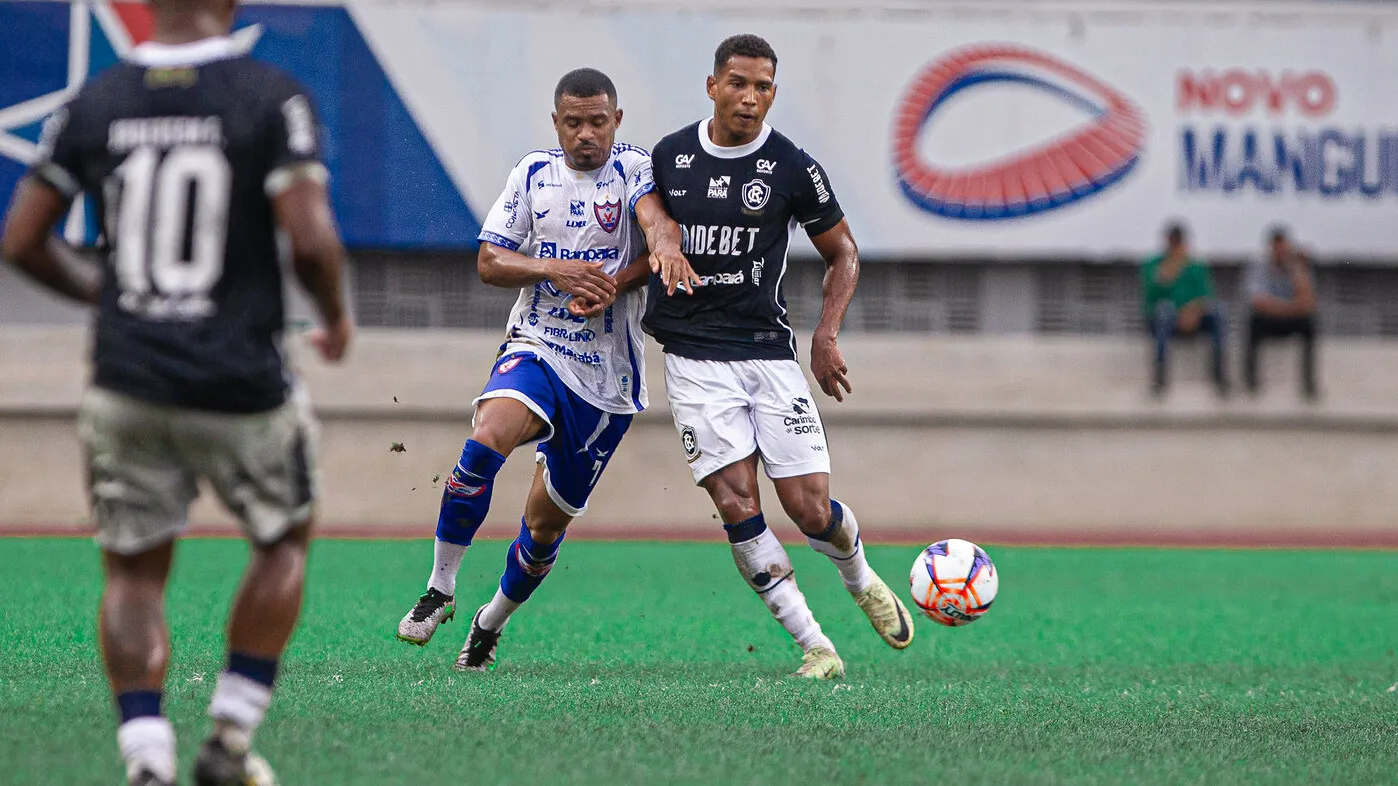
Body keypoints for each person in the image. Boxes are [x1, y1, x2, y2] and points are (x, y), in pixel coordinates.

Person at [0, 1, 350, 783]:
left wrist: (108, 296)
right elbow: (313, 238)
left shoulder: (95, 101)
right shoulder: (272, 94)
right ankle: (229, 737)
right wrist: (333, 317)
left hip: (128, 377)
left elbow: (21, 240)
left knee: (131, 573)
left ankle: (146, 756)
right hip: (242, 382)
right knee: (283, 538)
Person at [394, 68, 696, 671]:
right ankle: (441, 589)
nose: (586, 134)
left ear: (617, 120)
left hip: (608, 378)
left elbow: (657, 221)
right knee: (485, 441)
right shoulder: (533, 174)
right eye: (574, 122)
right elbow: (489, 261)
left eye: (598, 122)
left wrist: (637, 264)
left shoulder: (636, 169)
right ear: (556, 122)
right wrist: (553, 271)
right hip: (540, 343)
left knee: (543, 528)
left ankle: (490, 621)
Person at [643, 34, 914, 680]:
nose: (750, 97)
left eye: (763, 86)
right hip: (693, 358)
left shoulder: (792, 167)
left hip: (768, 355)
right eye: (738, 83)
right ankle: (816, 644)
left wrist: (826, 333)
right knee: (737, 502)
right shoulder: (672, 156)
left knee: (809, 507)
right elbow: (645, 216)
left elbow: (844, 252)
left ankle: (860, 576)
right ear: (713, 86)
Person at [1140, 222, 1226, 396]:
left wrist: (1191, 312)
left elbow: (1206, 295)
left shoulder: (1196, 266)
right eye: (1173, 242)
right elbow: (1152, 295)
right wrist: (1173, 266)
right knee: (1164, 311)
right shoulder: (1153, 264)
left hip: (1194, 318)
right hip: (1164, 320)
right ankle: (1159, 378)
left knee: (1218, 311)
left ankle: (1219, 376)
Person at [1245, 226, 1318, 398]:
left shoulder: (1299, 268)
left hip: (1289, 319)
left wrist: (1296, 270)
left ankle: (1309, 382)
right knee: (1253, 323)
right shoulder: (1260, 267)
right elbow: (1258, 301)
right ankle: (1250, 379)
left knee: (1309, 325)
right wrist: (1290, 308)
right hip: (1270, 319)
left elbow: (1309, 303)